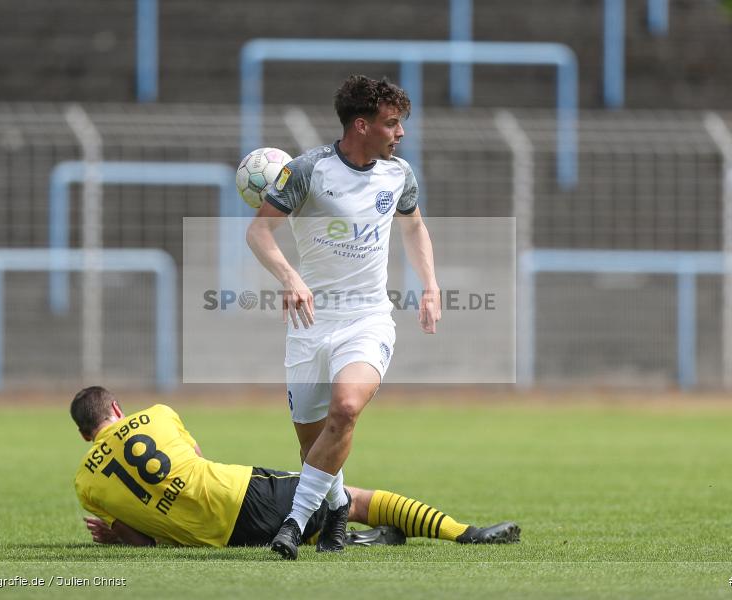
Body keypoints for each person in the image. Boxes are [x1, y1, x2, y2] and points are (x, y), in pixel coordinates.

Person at [246, 74, 442, 559]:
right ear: (362, 125)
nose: (401, 133)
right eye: (392, 123)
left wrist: (431, 285)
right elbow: (259, 233)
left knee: (347, 409)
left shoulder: (399, 175)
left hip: (368, 319)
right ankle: (336, 508)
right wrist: (291, 278)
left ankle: (293, 526)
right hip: (312, 326)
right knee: (314, 448)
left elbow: (415, 230)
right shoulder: (308, 170)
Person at [71, 386, 519, 552]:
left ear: (85, 435)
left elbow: (144, 540)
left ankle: (363, 540)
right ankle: (465, 532)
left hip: (220, 541)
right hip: (238, 493)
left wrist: (116, 536)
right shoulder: (158, 413)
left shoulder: (84, 486)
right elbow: (196, 460)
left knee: (308, 525)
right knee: (349, 497)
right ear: (115, 407)